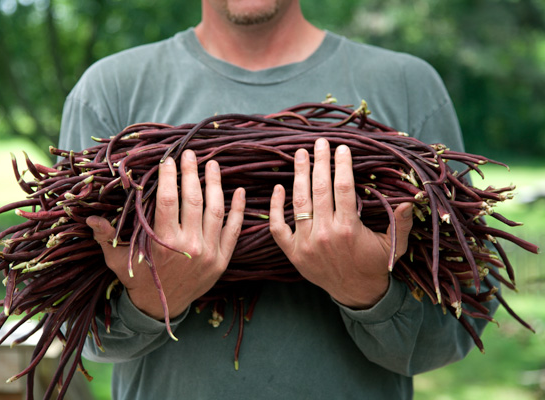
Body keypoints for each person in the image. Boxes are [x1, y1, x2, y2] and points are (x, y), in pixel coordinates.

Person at [58, 1, 498, 398]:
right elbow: (74, 328)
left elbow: (460, 327)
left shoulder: (407, 85)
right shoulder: (109, 91)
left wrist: (369, 294)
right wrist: (152, 300)